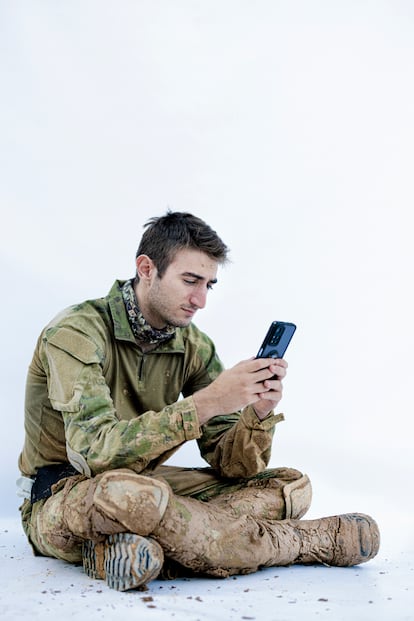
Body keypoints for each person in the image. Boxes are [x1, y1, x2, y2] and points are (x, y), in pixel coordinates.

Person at [17, 211, 380, 591]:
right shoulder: (75, 332)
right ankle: (304, 543)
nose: (201, 300)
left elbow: (233, 468)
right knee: (127, 497)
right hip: (65, 493)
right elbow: (94, 453)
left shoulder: (194, 346)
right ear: (146, 268)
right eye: (190, 281)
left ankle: (134, 550)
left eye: (209, 284)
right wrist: (206, 403)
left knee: (289, 486)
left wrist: (257, 414)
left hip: (150, 488)